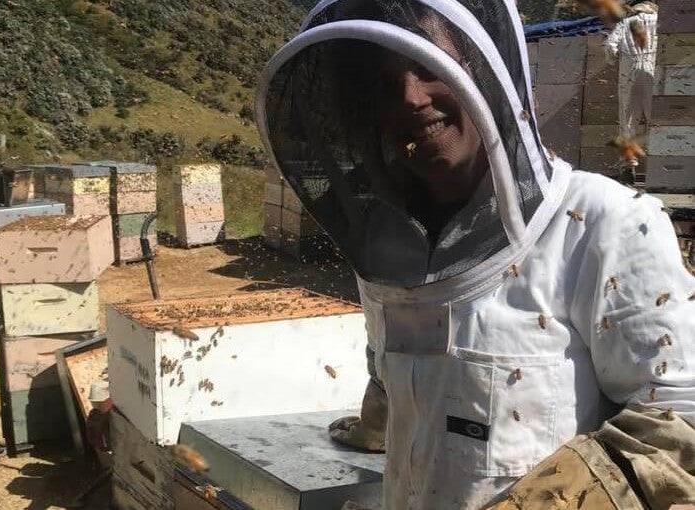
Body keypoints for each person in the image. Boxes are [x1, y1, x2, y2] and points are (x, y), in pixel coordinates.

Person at [256, 1, 695, 509]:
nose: (410, 98)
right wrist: (379, 421)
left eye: (429, 66)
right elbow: (401, 373)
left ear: (487, 71)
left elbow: (679, 423)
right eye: (382, 84)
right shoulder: (391, 244)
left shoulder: (606, 222)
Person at [605, 1, 659, 158]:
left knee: (628, 120)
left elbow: (610, 46)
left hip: (629, 72)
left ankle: (629, 165)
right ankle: (656, 162)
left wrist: (611, 60)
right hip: (654, 71)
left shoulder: (626, 23)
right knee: (655, 118)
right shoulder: (659, 21)